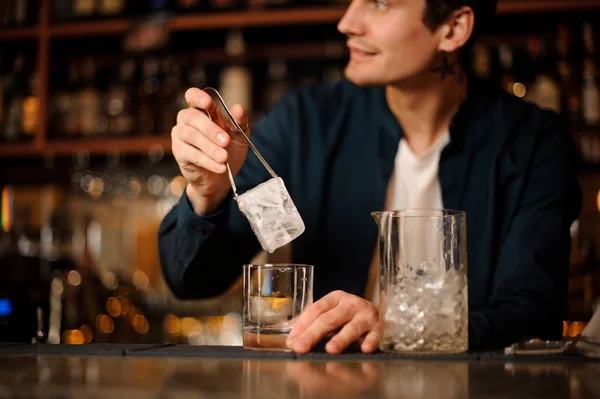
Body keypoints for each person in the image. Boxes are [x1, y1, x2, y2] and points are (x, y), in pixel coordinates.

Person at [158, 0, 582, 354]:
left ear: (453, 28)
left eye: (379, 3)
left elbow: (533, 315)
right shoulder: (306, 121)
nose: (347, 22)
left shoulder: (533, 142)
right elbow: (191, 280)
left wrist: (395, 328)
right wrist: (205, 193)